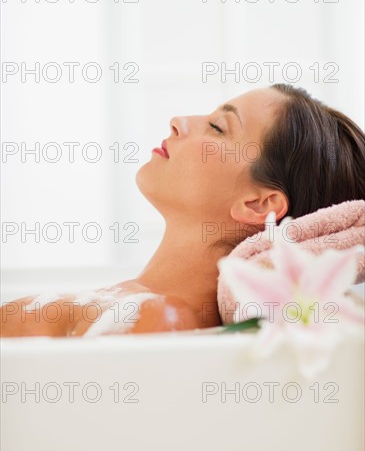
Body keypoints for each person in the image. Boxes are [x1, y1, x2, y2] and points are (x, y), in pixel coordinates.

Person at [1, 84, 364, 337]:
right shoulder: (133, 305)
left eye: (218, 127)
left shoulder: (158, 319)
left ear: (258, 204)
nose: (179, 121)